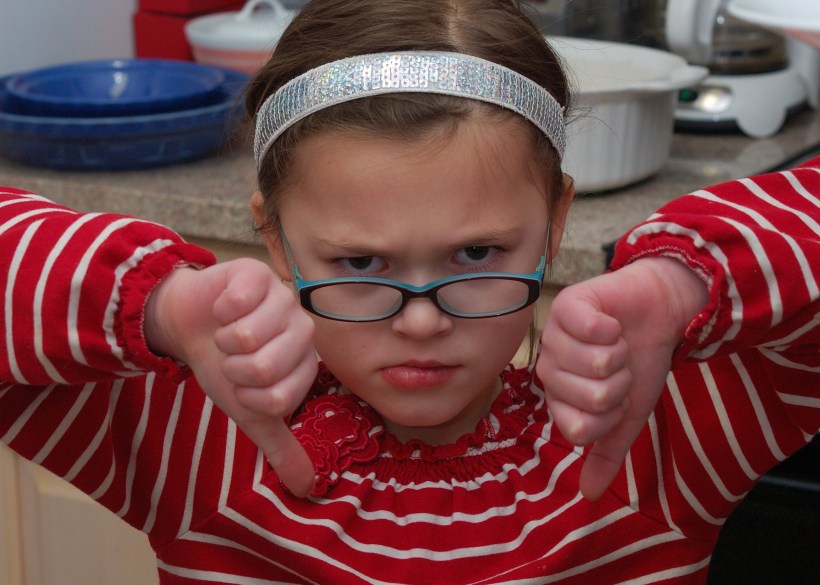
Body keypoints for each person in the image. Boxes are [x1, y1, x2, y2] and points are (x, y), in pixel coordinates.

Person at [1, 0, 818, 583]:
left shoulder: (645, 427)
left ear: (555, 221)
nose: (422, 321)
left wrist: (684, 280)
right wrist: (155, 303)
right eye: (360, 262)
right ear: (274, 235)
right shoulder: (204, 434)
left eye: (478, 252)